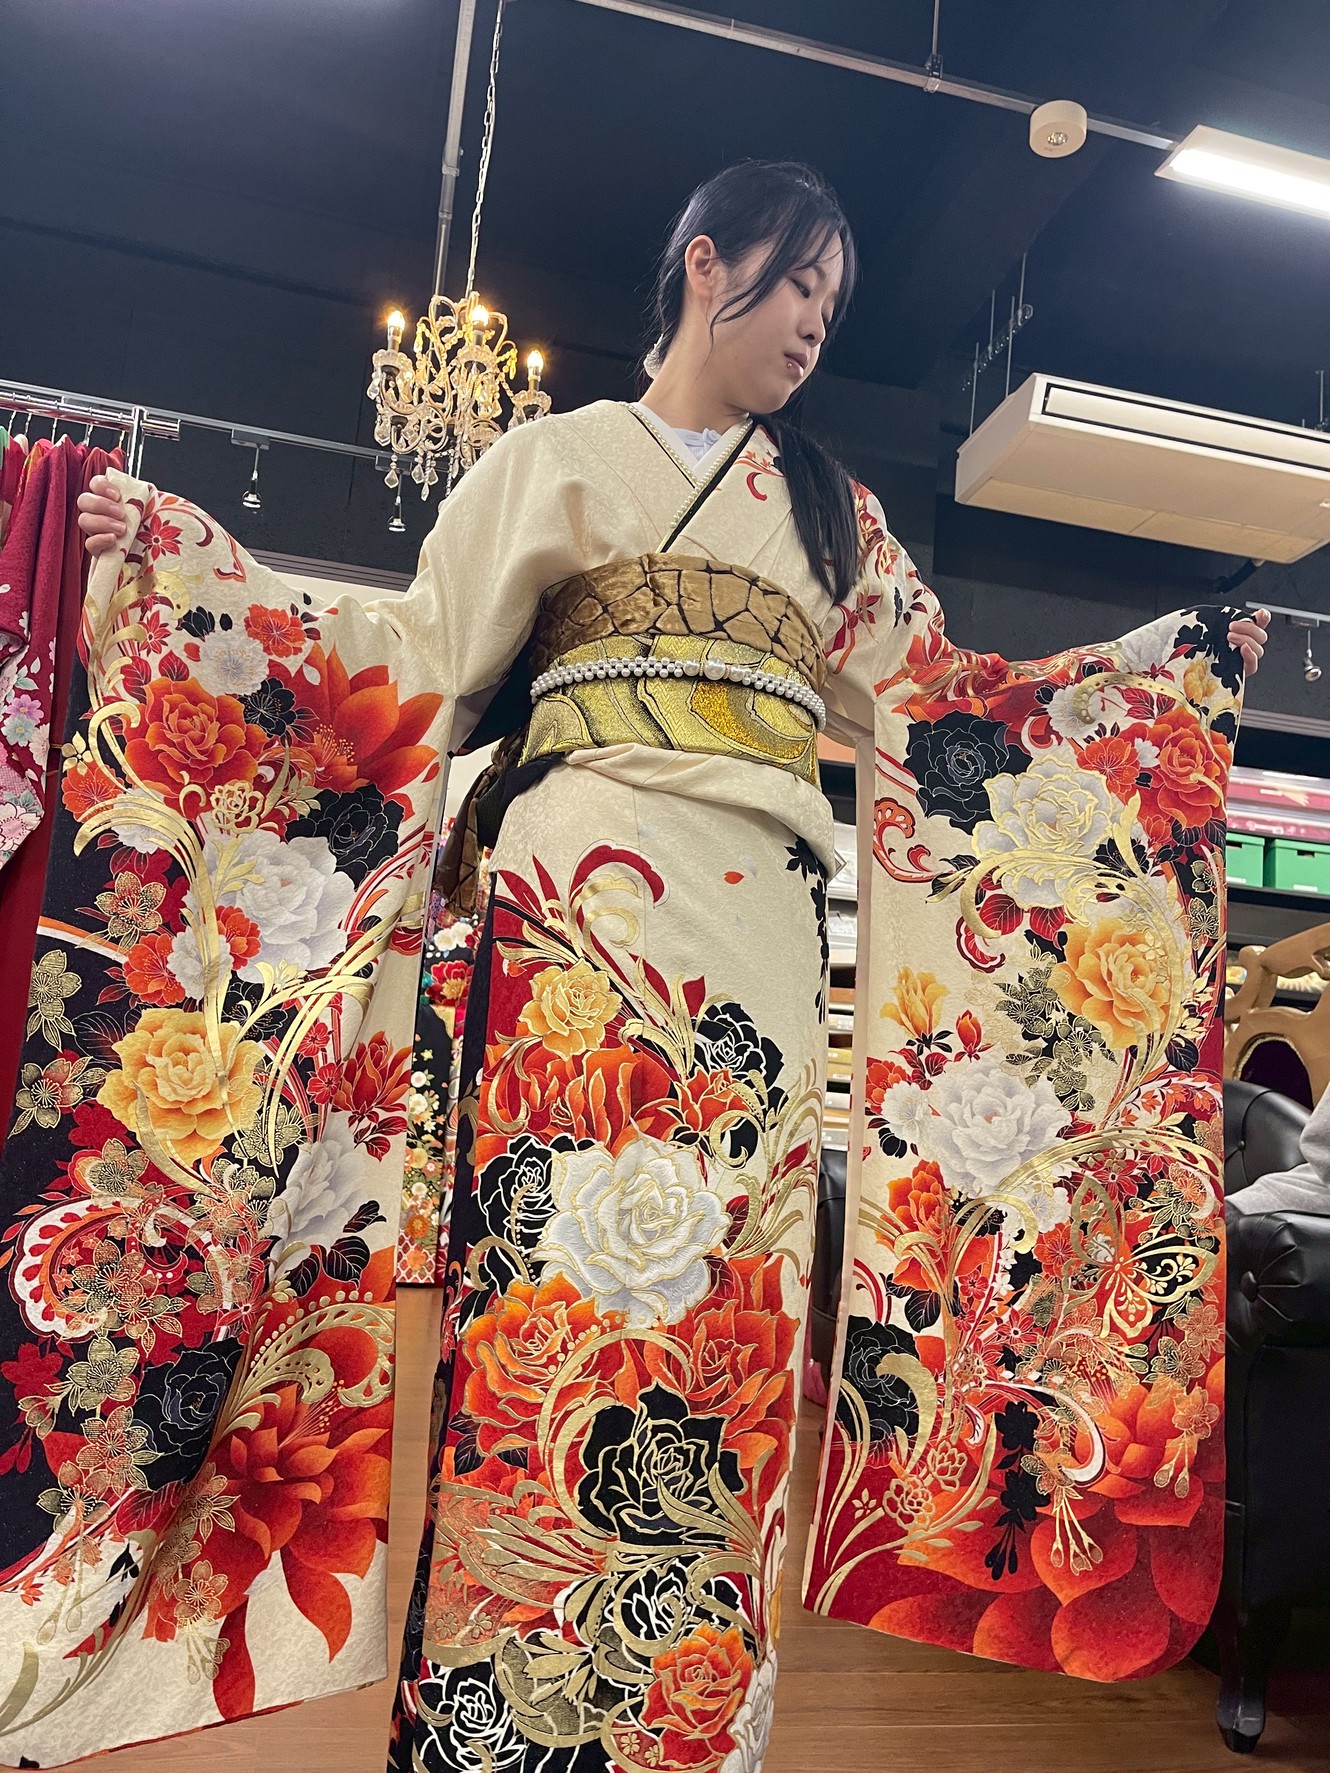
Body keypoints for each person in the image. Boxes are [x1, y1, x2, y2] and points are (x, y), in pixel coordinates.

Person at [73, 160, 1267, 1771]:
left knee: (728, 1315)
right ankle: (504, 1714)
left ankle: (692, 1714)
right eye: (797, 287)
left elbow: (959, 708)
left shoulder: (830, 515)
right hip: (574, 933)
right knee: (552, 1292)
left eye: (834, 306)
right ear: (707, 267)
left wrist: (1162, 679)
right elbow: (406, 655)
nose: (815, 328)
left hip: (757, 941)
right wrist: (188, 562)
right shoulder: (552, 459)